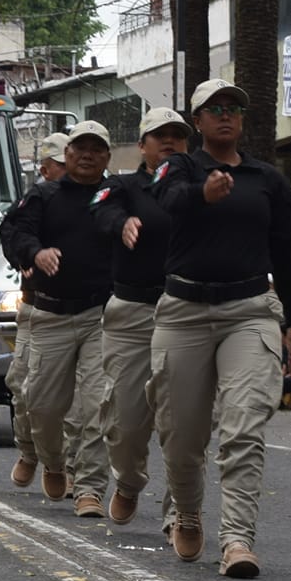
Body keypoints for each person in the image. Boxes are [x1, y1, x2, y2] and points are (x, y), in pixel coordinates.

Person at [150, 79, 291, 579]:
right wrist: (203, 194)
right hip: (184, 311)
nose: (225, 116)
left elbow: (286, 252)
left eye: (233, 109)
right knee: (181, 435)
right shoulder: (181, 166)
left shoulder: (266, 179)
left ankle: (238, 538)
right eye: (214, 109)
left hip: (249, 310)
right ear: (196, 121)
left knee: (243, 428)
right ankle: (188, 510)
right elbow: (167, 199)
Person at [0, 121, 116, 516]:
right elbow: (12, 231)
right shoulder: (43, 195)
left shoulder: (118, 197)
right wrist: (34, 253)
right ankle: (50, 460)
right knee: (40, 405)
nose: (87, 155)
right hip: (48, 315)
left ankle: (90, 489)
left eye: (96, 149)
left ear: (107, 157)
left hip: (101, 317)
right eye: (80, 148)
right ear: (66, 156)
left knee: (98, 405)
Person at [87, 107, 189, 526]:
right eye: (158, 135)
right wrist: (121, 221)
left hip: (185, 312)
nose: (168, 142)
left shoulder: (200, 185)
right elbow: (99, 208)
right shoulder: (123, 186)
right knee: (125, 423)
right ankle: (128, 481)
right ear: (142, 144)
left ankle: (180, 512)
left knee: (183, 421)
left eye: (177, 135)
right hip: (131, 313)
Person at [2, 131, 69, 489]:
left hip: (84, 311)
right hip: (36, 307)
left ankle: (70, 468)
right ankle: (29, 452)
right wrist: (25, 258)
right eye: (58, 164)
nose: (64, 169)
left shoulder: (95, 198)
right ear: (44, 168)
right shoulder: (34, 199)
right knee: (24, 388)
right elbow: (9, 233)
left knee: (83, 400)